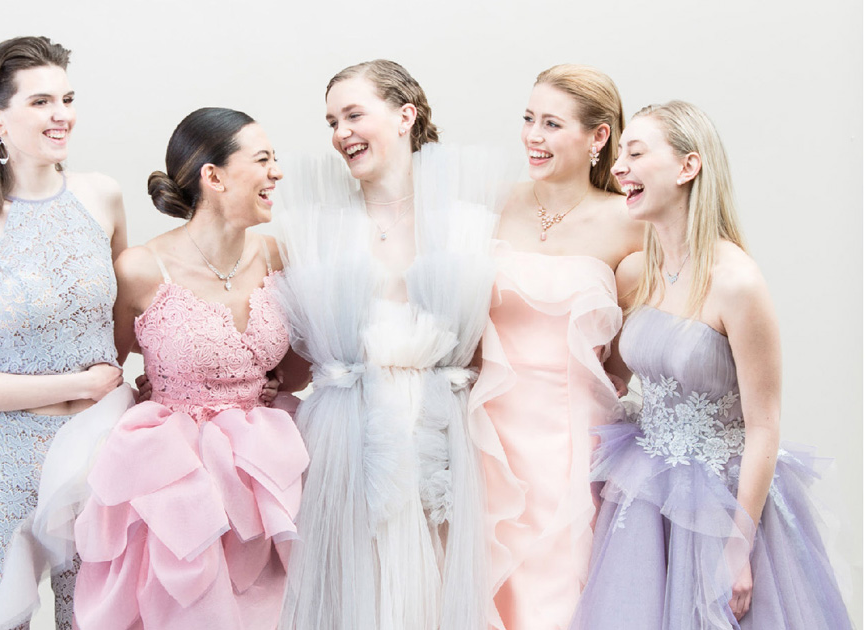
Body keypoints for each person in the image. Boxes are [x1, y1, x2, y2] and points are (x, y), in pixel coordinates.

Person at [570, 100, 852, 629]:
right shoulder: (641, 271)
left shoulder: (737, 283)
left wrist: (738, 546)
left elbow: (764, 427)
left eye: (635, 152)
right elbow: (621, 375)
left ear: (687, 167)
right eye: (619, 154)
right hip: (645, 492)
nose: (618, 168)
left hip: (722, 501)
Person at [275, 60, 512, 630]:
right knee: (352, 587)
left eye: (354, 114)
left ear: (405, 116)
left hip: (436, 427)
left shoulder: (463, 220)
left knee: (433, 579)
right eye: (332, 121)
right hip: (345, 433)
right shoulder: (321, 223)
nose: (340, 133)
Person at [72, 108, 309, 629]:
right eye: (264, 160)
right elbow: (98, 370)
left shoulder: (278, 257)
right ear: (214, 176)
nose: (278, 173)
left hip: (261, 472)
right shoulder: (139, 269)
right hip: (172, 475)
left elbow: (297, 374)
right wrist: (3, 415)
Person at [0, 36, 130, 629]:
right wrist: (80, 383)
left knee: (93, 621)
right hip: (4, 464)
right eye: (42, 102)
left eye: (66, 98)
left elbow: (131, 323)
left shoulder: (103, 197)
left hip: (99, 455)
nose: (62, 115)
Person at [468, 64, 644, 630]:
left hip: (572, 431)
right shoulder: (493, 202)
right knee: (483, 575)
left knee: (558, 585)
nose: (532, 136)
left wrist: (619, 370)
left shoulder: (630, 221)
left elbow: (651, 329)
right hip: (485, 425)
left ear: (599, 136)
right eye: (528, 119)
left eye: (551, 123)